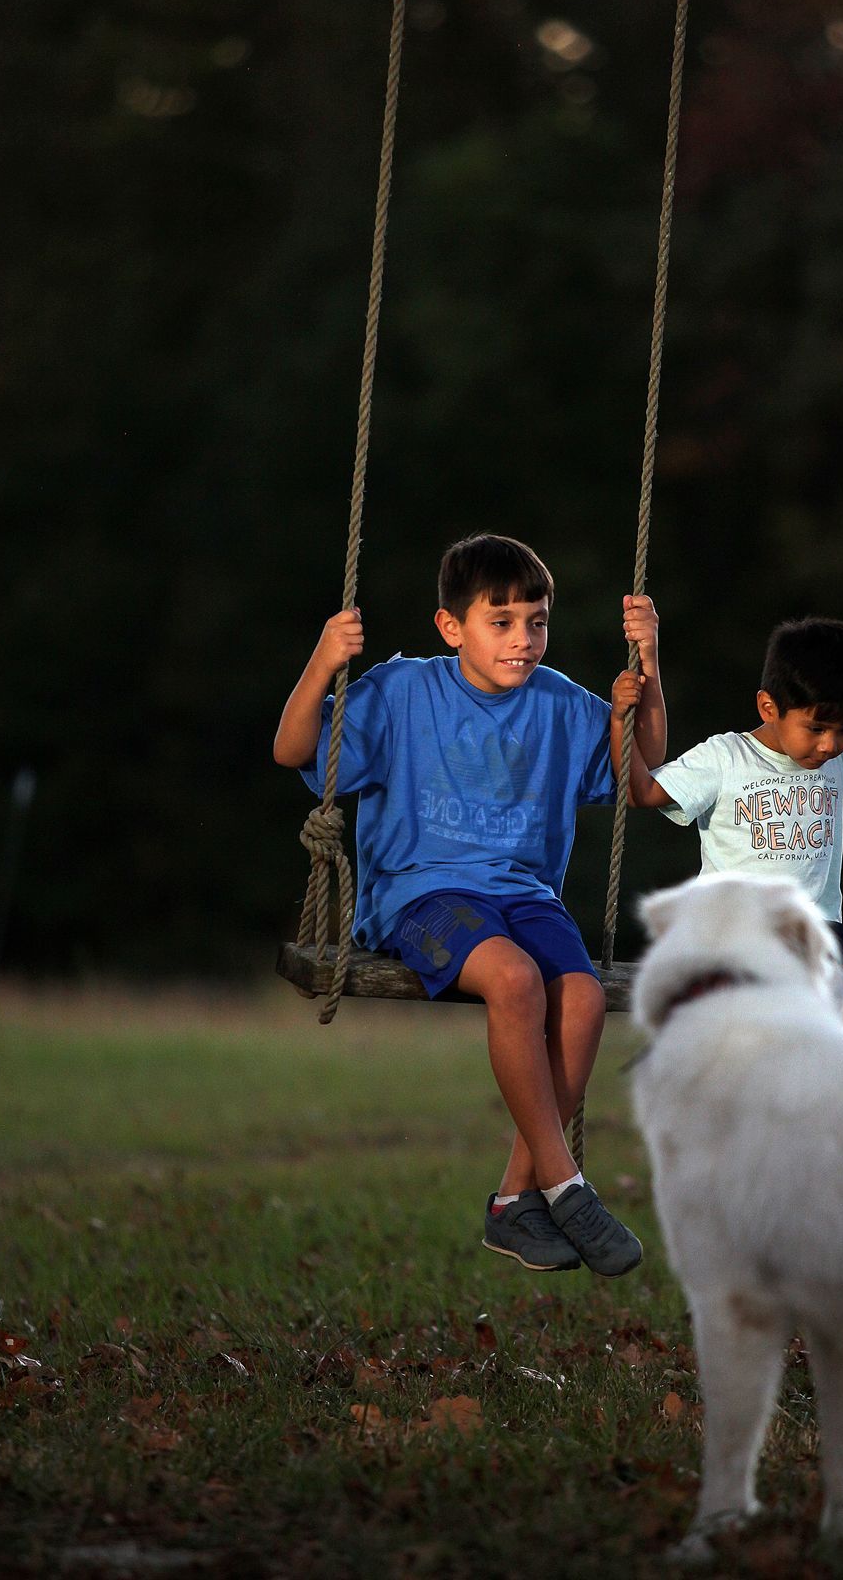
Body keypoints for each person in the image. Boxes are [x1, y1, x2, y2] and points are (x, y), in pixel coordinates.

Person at [274, 533, 662, 1277]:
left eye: (538, 622)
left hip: (525, 895)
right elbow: (293, 751)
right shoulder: (402, 693)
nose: (525, 640)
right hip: (422, 893)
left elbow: (641, 774)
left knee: (580, 998)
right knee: (515, 981)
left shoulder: (561, 705)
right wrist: (324, 660)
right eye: (503, 621)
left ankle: (516, 1199)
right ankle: (565, 1186)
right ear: (452, 628)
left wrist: (649, 667)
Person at [611, 614, 843, 1023]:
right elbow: (642, 792)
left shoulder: (841, 760)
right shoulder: (726, 758)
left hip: (812, 936)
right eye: (816, 728)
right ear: (769, 707)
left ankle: (830, 1087)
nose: (830, 744)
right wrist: (620, 722)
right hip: (733, 933)